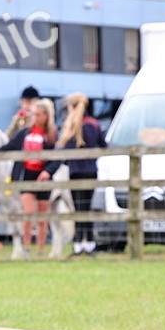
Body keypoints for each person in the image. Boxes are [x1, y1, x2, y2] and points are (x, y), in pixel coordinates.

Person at [48, 92, 107, 255]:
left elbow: (63, 151)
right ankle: (89, 243)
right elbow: (104, 145)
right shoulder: (94, 125)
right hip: (91, 172)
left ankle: (78, 243)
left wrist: (51, 169)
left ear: (72, 106)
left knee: (78, 208)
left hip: (75, 173)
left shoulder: (71, 127)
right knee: (87, 208)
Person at [1, 97, 57, 257]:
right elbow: (9, 146)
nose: (35, 118)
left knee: (42, 217)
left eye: (39, 114)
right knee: (28, 212)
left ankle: (40, 250)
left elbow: (57, 156)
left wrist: (48, 171)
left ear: (47, 116)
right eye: (34, 114)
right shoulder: (25, 133)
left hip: (44, 178)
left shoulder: (51, 134)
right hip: (27, 175)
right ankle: (26, 249)